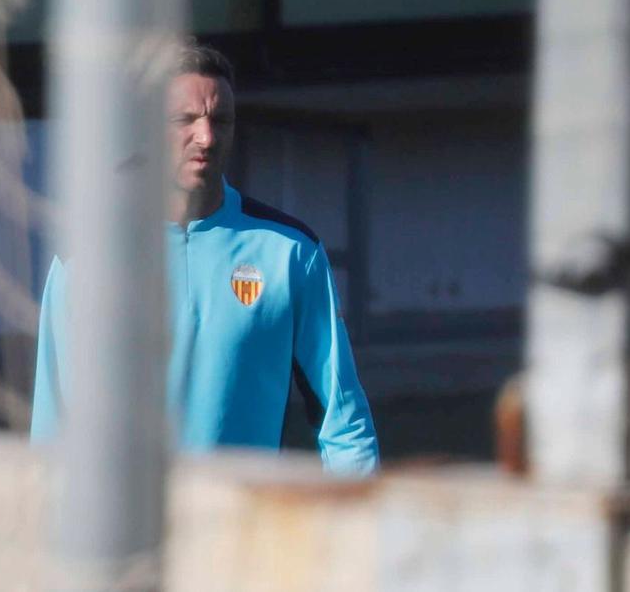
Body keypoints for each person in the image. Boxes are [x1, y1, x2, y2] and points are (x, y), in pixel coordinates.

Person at [30, 41, 379, 475]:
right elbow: (52, 429)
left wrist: (360, 511)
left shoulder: (290, 252)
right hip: (128, 519)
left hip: (244, 514)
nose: (207, 137)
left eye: (220, 120)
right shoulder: (84, 259)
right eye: (185, 120)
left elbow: (343, 424)